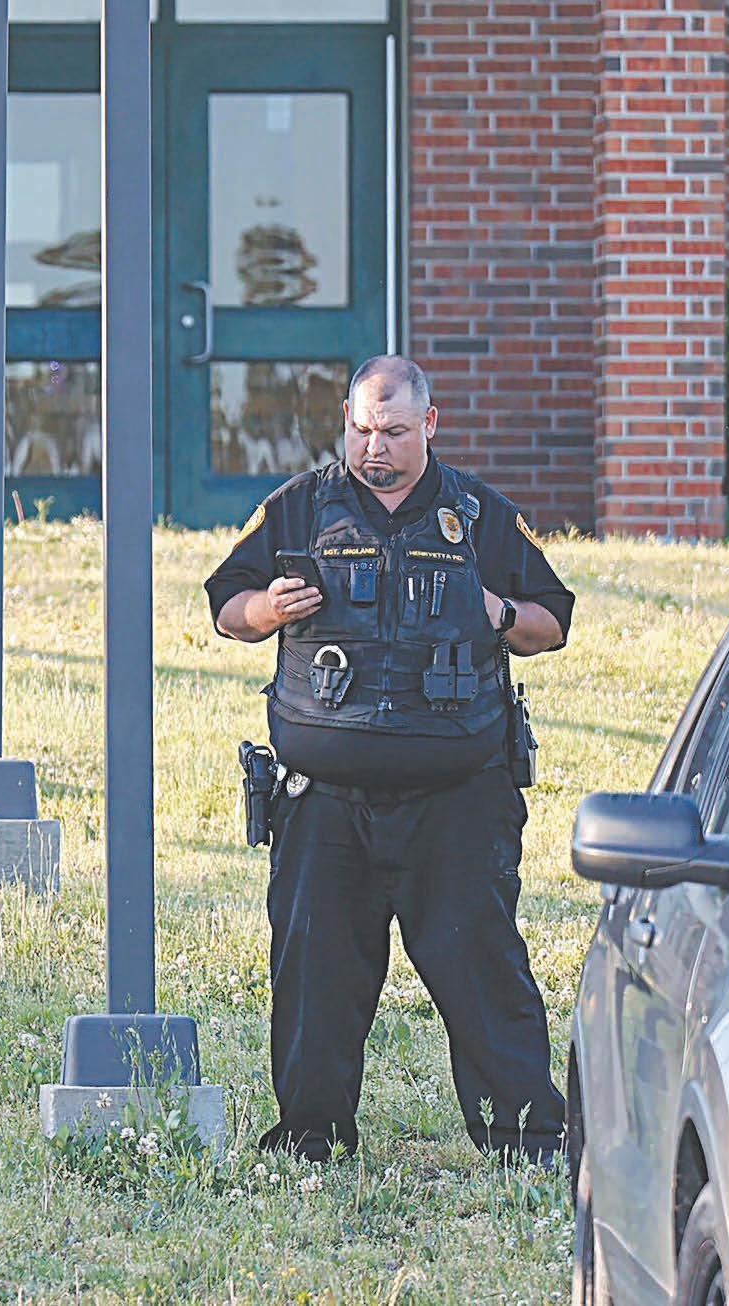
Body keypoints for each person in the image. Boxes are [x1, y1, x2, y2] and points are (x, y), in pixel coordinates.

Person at [205, 355, 573, 1166]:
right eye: (363, 430)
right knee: (314, 979)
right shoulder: (299, 508)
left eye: (395, 432)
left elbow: (552, 622)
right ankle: (312, 1139)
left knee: (483, 972)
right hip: (324, 801)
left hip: (457, 797)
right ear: (346, 421)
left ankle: (528, 1140)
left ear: (429, 426)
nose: (375, 448)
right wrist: (266, 609)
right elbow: (226, 603)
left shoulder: (479, 514)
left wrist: (495, 611)